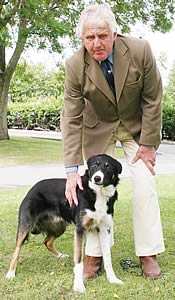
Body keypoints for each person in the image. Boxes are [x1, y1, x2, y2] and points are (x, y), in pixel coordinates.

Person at [61, 4, 165, 280]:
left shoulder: (140, 50)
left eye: (102, 36)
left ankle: (148, 253)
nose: (96, 44)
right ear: (83, 39)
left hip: (135, 129)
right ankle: (93, 256)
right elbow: (71, 117)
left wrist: (148, 143)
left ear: (114, 33)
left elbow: (153, 98)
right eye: (90, 38)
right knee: (93, 190)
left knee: (145, 185)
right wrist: (71, 171)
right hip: (97, 131)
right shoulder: (74, 66)